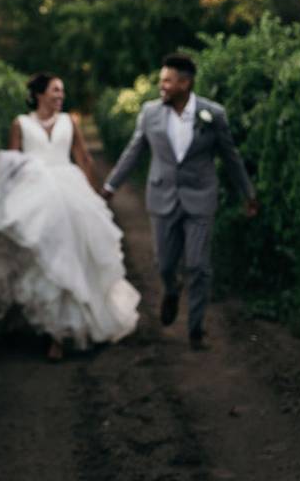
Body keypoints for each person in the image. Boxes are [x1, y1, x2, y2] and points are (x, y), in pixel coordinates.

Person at [0, 73, 140, 360]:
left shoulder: (71, 121)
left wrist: (95, 194)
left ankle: (61, 333)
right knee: (38, 256)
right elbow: (11, 163)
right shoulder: (20, 123)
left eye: (62, 91)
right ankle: (41, 325)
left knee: (70, 253)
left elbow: (83, 158)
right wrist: (6, 202)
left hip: (68, 191)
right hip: (34, 193)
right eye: (56, 91)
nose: (60, 96)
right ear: (40, 94)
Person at [101, 53, 258, 351]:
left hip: (200, 198)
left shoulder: (213, 115)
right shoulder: (149, 113)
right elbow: (133, 152)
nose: (162, 85)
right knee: (163, 264)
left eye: (167, 81)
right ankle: (171, 290)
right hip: (162, 196)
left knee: (199, 265)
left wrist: (248, 194)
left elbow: (231, 157)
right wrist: (111, 186)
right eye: (161, 80)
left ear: (185, 83)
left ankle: (196, 330)